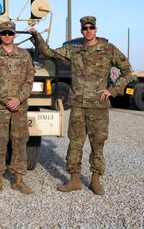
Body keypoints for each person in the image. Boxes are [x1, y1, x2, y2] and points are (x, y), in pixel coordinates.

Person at [29, 16, 132, 195]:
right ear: (82, 31)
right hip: (77, 104)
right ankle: (74, 179)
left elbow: (127, 71)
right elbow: (49, 52)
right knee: (75, 143)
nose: (88, 31)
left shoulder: (108, 49)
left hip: (98, 106)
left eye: (91, 27)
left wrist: (113, 90)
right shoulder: (74, 50)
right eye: (85, 28)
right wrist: (36, 36)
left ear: (96, 30)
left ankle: (95, 179)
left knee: (97, 143)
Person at [0, 21, 35, 195]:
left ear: (15, 34)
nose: (7, 36)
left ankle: (18, 180)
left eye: (10, 33)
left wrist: (18, 99)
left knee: (20, 142)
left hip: (19, 108)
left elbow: (29, 79)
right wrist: (6, 100)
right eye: (4, 33)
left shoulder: (24, 55)